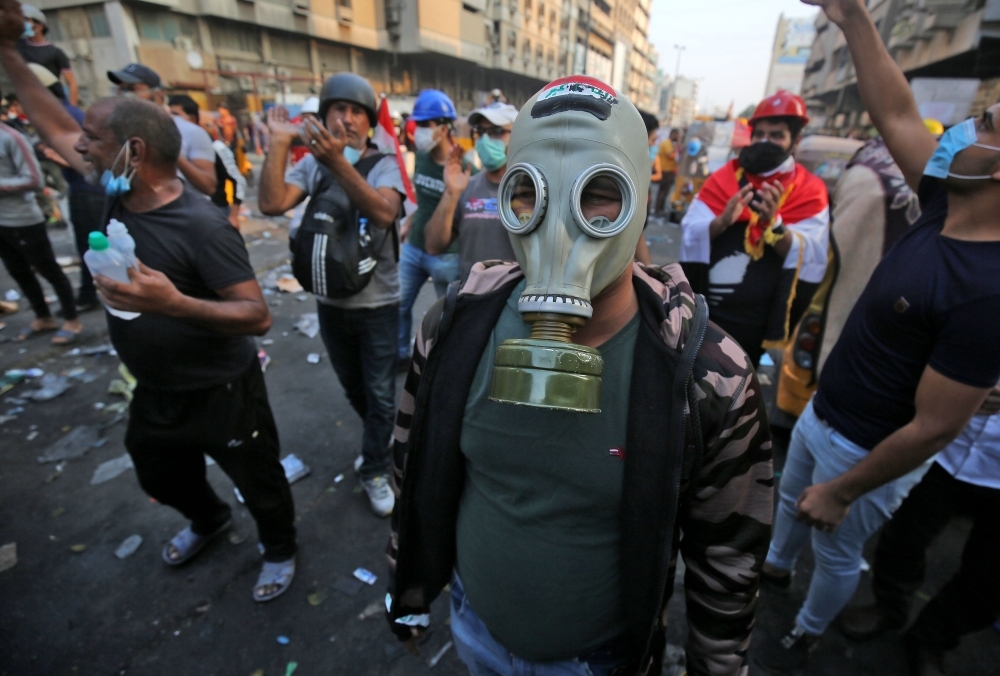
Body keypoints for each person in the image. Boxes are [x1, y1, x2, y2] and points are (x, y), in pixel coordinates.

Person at [386, 76, 773, 676]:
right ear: (507, 193)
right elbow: (411, 467)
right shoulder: (454, 328)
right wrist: (407, 589)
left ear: (643, 203)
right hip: (475, 628)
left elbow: (727, 558)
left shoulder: (706, 374)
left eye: (600, 194)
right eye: (530, 194)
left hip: (598, 660)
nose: (560, 227)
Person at [0, 8, 299, 602]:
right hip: (154, 388)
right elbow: (53, 123)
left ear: (132, 151)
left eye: (93, 138)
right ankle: (209, 520)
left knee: (258, 478)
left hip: (222, 390)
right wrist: (8, 52)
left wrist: (172, 302)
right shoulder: (112, 186)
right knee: (157, 469)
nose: (78, 145)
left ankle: (281, 548)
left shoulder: (202, 226)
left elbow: (256, 316)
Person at [756, 0, 1000, 671]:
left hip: (865, 449)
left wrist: (844, 490)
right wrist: (852, 16)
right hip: (823, 412)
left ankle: (804, 631)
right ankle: (774, 568)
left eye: (983, 124)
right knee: (785, 501)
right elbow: (894, 113)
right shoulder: (949, 197)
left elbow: (934, 429)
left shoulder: (986, 288)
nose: (961, 129)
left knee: (834, 548)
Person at [258, 73, 406, 517]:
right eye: (337, 110)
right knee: (354, 388)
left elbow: (383, 212)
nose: (346, 119)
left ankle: (376, 467)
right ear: (321, 117)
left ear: (368, 122)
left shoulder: (384, 164)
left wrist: (340, 162)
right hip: (330, 302)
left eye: (356, 111)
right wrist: (280, 143)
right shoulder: (312, 165)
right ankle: (377, 443)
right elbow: (271, 203)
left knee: (380, 393)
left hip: (377, 303)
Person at [836, 387, 1000, 676]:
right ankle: (889, 607)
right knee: (904, 537)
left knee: (989, 580)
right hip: (945, 447)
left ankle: (933, 638)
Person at [679, 91, 830, 367]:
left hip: (758, 325)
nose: (764, 142)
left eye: (776, 135)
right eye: (759, 134)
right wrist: (722, 222)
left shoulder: (810, 191)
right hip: (710, 317)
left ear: (795, 141)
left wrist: (774, 224)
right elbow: (691, 231)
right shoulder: (723, 179)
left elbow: (811, 255)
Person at [0, 85, 81, 344]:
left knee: (48, 270)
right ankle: (43, 316)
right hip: (1, 221)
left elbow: (34, 179)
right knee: (19, 272)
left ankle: (71, 318)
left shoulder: (12, 138)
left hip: (23, 218)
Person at [28, 61, 106, 312]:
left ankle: (88, 295)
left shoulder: (64, 116)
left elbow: (89, 158)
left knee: (90, 246)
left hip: (88, 190)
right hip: (84, 188)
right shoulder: (62, 114)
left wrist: (54, 156)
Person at [397, 89, 468, 363]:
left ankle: (440, 364)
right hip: (414, 248)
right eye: (420, 124)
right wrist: (410, 223)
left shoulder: (462, 167)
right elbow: (422, 200)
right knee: (400, 305)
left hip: (445, 255)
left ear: (444, 127)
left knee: (445, 317)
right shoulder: (422, 157)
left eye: (427, 125)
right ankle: (401, 354)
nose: (421, 131)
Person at [423, 101, 518, 284]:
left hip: (515, 302)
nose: (486, 140)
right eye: (481, 133)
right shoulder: (467, 186)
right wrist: (451, 193)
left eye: (497, 132)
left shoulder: (533, 191)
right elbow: (433, 246)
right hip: (471, 299)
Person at [106, 63, 217, 196]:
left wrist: (171, 150)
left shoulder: (190, 131)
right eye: (122, 89)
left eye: (132, 89)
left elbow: (208, 186)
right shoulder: (116, 132)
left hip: (181, 213)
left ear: (158, 95)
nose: (126, 95)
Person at [168, 95, 246, 230]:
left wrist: (233, 215)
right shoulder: (171, 144)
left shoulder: (216, 147)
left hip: (216, 211)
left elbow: (237, 180)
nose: (172, 120)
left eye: (176, 115)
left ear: (191, 118)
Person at [17, 4, 77, 106]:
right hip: (26, 101)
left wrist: (72, 108)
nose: (22, 24)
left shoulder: (55, 52)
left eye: (26, 20)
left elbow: (72, 83)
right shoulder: (18, 47)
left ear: (39, 26)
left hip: (51, 101)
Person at [654, 128, 680, 214]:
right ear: (673, 135)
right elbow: (670, 155)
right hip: (665, 171)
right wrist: (678, 151)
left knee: (664, 192)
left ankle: (660, 209)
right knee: (662, 192)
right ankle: (658, 210)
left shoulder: (669, 143)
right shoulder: (667, 143)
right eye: (677, 136)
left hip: (668, 171)